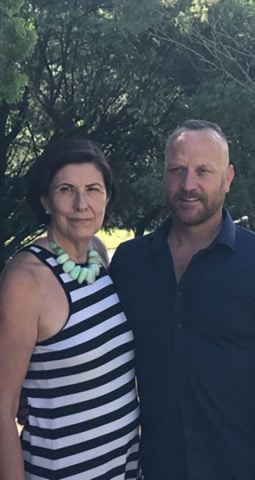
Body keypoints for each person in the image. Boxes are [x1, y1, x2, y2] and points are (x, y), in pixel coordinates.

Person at [109, 119, 255, 480]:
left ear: (228, 177)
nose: (188, 184)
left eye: (203, 171)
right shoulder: (130, 264)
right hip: (158, 469)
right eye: (177, 170)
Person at [0, 138, 140, 479]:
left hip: (120, 467)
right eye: (66, 189)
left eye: (93, 189)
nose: (82, 204)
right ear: (46, 200)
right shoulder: (26, 281)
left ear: (107, 196)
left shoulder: (98, 255)